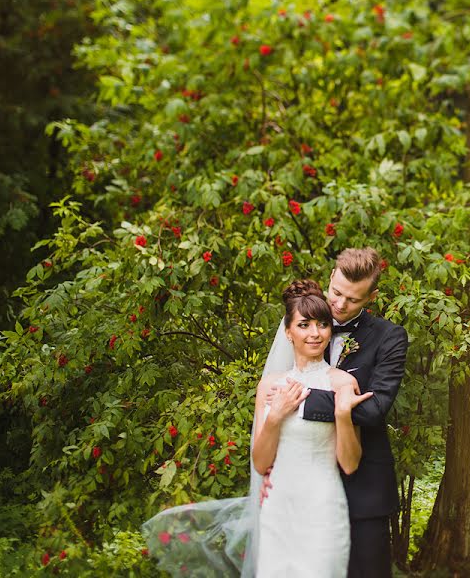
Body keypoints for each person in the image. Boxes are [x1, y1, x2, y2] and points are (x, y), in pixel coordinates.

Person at [142, 279, 371, 577]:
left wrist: (342, 415)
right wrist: (275, 416)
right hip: (278, 509)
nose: (315, 333)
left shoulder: (342, 383)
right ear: (288, 332)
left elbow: (350, 464)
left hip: (323, 508)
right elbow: (261, 463)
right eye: (304, 325)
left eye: (322, 324)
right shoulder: (270, 386)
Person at [264, 247, 408, 578]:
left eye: (353, 300)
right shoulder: (306, 322)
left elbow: (373, 409)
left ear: (372, 297)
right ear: (331, 278)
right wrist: (273, 470)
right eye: (336, 292)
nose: (340, 305)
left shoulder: (390, 338)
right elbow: (273, 401)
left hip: (365, 487)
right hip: (301, 486)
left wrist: (300, 400)